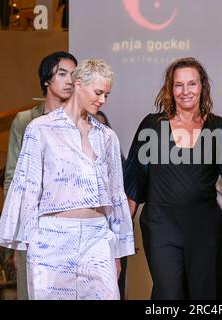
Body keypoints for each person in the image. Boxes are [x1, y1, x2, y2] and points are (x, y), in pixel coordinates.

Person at [0, 59, 135, 300]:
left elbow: (116, 194)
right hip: (52, 236)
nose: (102, 100)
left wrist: (117, 253)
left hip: (97, 236)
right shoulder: (41, 129)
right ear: (79, 85)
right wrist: (28, 245)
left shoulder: (107, 137)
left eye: (107, 95)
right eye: (98, 92)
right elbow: (27, 188)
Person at [124, 57, 222, 300]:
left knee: (204, 294)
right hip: (160, 223)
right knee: (169, 294)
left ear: (203, 87)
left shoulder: (221, 128)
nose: (185, 91)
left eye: (192, 84)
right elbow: (134, 181)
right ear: (170, 88)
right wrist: (124, 228)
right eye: (179, 85)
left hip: (204, 224)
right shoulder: (152, 126)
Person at [3, 51, 77, 300]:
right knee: (32, 292)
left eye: (74, 75)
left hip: (71, 226)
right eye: (62, 73)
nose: (69, 81)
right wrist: (17, 235)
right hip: (33, 225)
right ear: (47, 79)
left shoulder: (84, 122)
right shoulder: (25, 122)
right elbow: (13, 178)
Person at [93, 110, 127, 300]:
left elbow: (121, 206)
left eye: (103, 126)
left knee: (114, 288)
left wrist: (123, 244)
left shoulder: (118, 163)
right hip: (87, 235)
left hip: (113, 237)